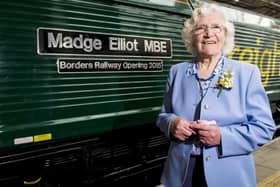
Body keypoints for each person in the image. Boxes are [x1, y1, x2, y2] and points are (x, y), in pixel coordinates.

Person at [156, 2, 276, 187]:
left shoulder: (247, 72)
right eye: (201, 28)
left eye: (216, 27)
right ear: (191, 35)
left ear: (226, 35)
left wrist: (222, 136)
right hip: (181, 173)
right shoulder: (177, 72)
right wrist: (172, 124)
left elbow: (264, 128)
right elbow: (163, 115)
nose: (209, 33)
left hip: (229, 174)